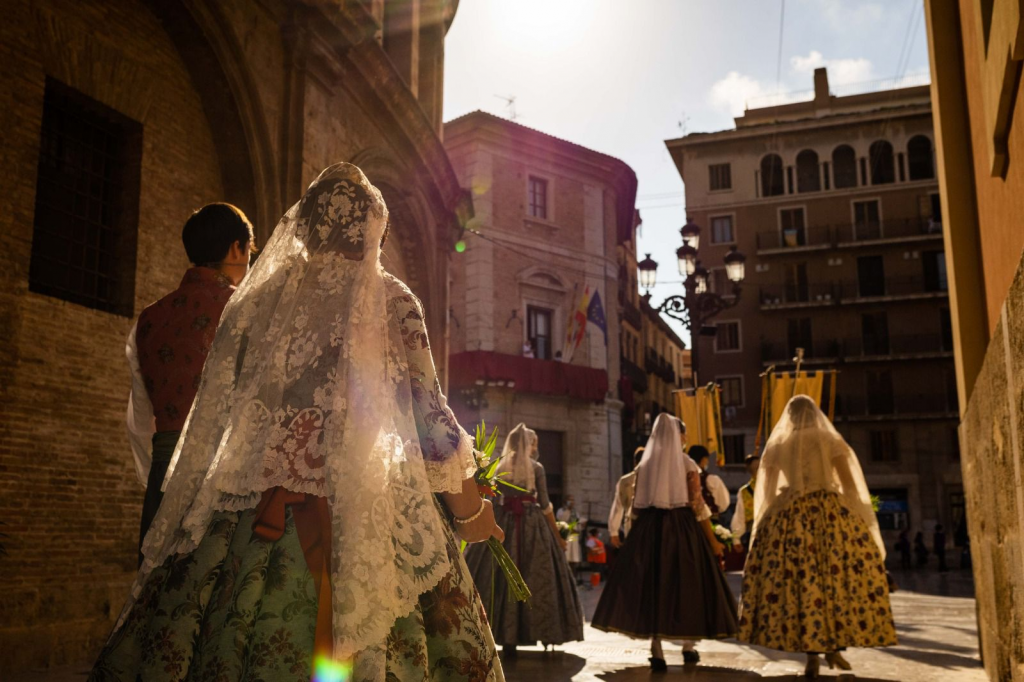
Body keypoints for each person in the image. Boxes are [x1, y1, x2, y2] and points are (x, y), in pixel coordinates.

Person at [89, 163, 505, 682]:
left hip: (251, 514)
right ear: (373, 226)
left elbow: (216, 417)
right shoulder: (392, 298)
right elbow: (431, 425)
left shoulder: (253, 304)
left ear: (305, 227)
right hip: (372, 513)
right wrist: (470, 514)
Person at [126, 203, 254, 565]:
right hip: (226, 477)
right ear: (236, 248)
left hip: (163, 474)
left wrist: (155, 474)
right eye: (249, 250)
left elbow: (139, 420)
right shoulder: (245, 310)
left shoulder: (149, 319)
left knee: (159, 596)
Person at [737, 395, 896, 678]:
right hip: (830, 514)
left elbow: (768, 494)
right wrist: (861, 520)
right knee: (832, 580)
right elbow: (850, 486)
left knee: (801, 584)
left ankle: (812, 655)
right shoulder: (830, 440)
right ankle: (831, 643)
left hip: (789, 517)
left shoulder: (777, 445)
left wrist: (768, 525)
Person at [592, 414, 737, 670]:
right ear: (677, 435)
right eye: (683, 433)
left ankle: (656, 648)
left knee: (653, 587)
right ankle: (688, 646)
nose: (685, 438)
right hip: (682, 528)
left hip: (649, 528)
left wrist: (635, 539)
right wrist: (712, 540)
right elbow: (697, 504)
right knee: (687, 584)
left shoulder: (645, 465)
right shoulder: (687, 463)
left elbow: (636, 507)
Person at [466, 424, 584, 657]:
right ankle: (547, 635)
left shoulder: (500, 467)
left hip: (504, 523)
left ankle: (505, 637)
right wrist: (558, 538)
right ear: (527, 444)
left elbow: (493, 497)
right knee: (539, 574)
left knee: (498, 576)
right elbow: (546, 505)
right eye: (534, 444)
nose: (535, 449)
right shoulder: (536, 469)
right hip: (533, 525)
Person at [609, 447, 645, 548]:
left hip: (629, 525)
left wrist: (614, 531)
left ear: (635, 462)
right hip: (648, 524)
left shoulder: (624, 481)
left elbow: (618, 507)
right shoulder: (653, 479)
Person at [728, 453, 760, 552]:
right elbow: (740, 516)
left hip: (754, 534)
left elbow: (739, 517)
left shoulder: (744, 491)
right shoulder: (772, 487)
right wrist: (736, 539)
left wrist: (736, 539)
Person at [690, 445, 731, 522]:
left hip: (689, 521)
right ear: (703, 460)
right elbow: (724, 503)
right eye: (707, 459)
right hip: (710, 521)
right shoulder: (711, 479)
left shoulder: (684, 478)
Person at [556, 494, 583, 571]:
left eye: (573, 500)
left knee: (573, 558)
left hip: (574, 537)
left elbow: (577, 523)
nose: (571, 502)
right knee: (566, 557)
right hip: (565, 536)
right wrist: (568, 510)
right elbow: (560, 522)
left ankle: (573, 577)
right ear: (565, 501)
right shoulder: (561, 511)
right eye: (569, 500)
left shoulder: (576, 512)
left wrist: (579, 528)